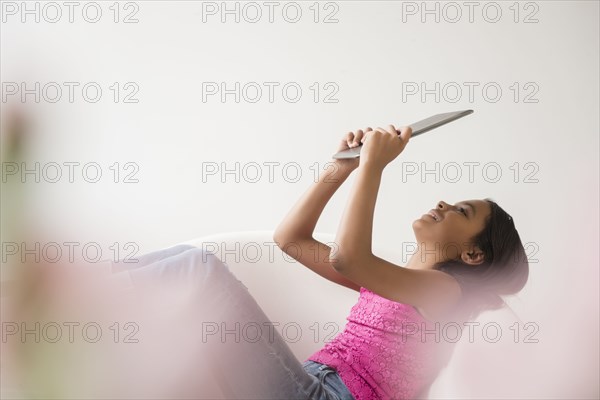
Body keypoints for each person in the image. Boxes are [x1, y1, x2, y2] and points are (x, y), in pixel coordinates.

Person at [111, 124, 529, 400]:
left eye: (462, 211)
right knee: (188, 261)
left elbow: (348, 257)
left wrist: (374, 166)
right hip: (309, 383)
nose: (444, 203)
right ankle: (99, 283)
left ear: (472, 255)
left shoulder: (446, 293)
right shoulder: (392, 282)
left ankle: (87, 289)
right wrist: (341, 166)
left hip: (320, 396)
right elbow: (290, 239)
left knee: (199, 271)